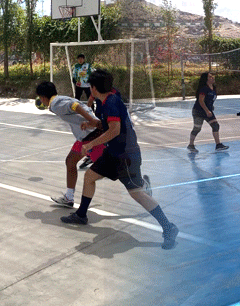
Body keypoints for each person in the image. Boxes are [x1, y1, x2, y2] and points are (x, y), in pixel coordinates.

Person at [60, 70, 179, 250]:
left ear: (93, 88)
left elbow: (114, 130)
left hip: (125, 156)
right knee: (90, 177)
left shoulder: (112, 103)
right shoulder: (105, 101)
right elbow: (104, 124)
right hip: (113, 153)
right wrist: (90, 123)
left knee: (137, 194)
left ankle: (168, 227)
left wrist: (91, 144)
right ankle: (81, 215)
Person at [35, 81, 105, 208]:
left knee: (109, 169)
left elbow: (75, 106)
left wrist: (92, 120)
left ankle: (137, 184)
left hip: (91, 135)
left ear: (43, 97)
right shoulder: (58, 100)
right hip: (84, 136)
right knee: (70, 161)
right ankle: (69, 197)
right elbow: (78, 106)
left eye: (40, 98)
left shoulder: (56, 104)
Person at [187, 72, 229, 153]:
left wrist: (211, 106)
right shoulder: (204, 88)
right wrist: (207, 110)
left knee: (215, 126)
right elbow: (201, 100)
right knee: (197, 128)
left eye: (212, 76)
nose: (212, 78)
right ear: (206, 79)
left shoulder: (214, 88)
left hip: (208, 110)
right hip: (199, 111)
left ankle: (218, 145)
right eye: (210, 77)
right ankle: (191, 145)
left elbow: (210, 99)